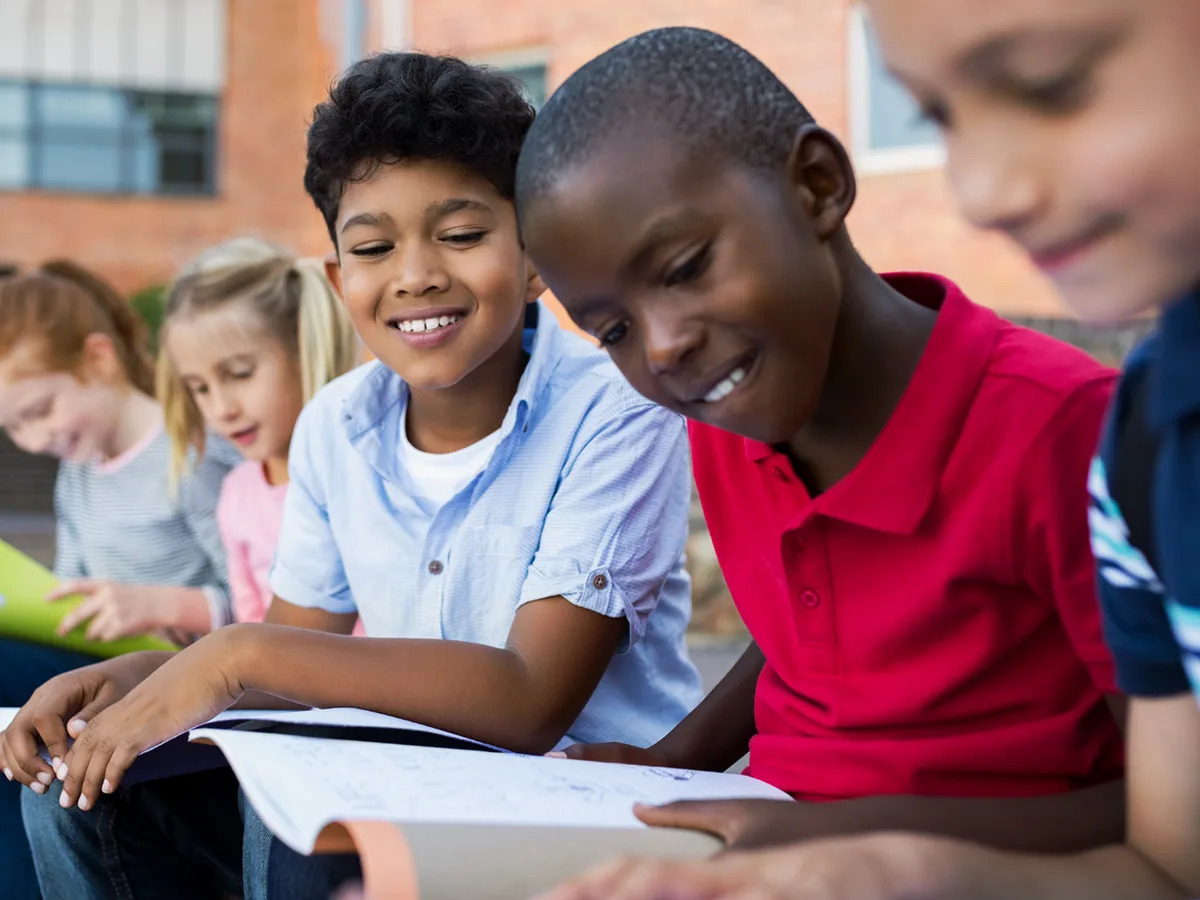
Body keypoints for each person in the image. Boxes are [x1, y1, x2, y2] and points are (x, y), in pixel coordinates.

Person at [531, 3, 1200, 897]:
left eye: (687, 267)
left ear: (815, 186)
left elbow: (1160, 824)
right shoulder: (732, 414)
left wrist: (841, 830)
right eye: (611, 329)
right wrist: (676, 758)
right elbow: (810, 631)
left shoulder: (1075, 433)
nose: (660, 348)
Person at [10, 52, 703, 900]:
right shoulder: (338, 426)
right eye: (374, 246)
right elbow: (300, 646)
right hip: (406, 774)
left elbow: (530, 700)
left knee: (304, 825)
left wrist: (234, 653)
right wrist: (135, 682)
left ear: (536, 258)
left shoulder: (618, 410)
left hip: (582, 796)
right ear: (341, 280)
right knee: (79, 788)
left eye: (461, 234)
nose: (415, 274)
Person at [0, 262, 236, 900]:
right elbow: (74, 588)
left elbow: (263, 602)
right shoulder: (76, 474)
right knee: (21, 730)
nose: (34, 438)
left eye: (40, 411)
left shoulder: (191, 452)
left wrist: (161, 605)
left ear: (99, 360)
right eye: (16, 428)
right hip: (105, 667)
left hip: (190, 676)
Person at [157, 237, 361, 627]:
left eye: (240, 374)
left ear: (306, 350)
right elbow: (250, 624)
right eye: (200, 388)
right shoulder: (236, 494)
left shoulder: (361, 477)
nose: (221, 409)